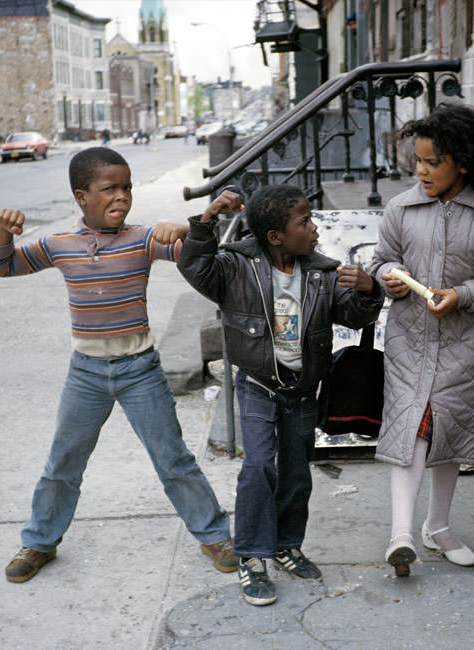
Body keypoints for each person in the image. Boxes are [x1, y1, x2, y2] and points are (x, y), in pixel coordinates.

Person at [0, 147, 236, 583]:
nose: (121, 196)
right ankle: (40, 541)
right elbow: (4, 267)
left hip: (139, 369)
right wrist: (3, 234)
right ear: (82, 197)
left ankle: (214, 534)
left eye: (126, 188)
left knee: (173, 458)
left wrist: (201, 220)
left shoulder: (142, 239)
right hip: (85, 374)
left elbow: (197, 255)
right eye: (109, 189)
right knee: (63, 462)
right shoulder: (58, 245)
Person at [178, 184, 384, 606]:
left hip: (303, 391)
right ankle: (252, 558)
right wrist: (207, 219)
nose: (314, 228)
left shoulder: (323, 272)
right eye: (304, 221)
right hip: (257, 385)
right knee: (257, 468)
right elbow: (195, 266)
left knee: (295, 473)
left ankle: (288, 545)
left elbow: (353, 312)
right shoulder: (234, 267)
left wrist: (368, 289)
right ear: (276, 236)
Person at [368, 103, 474, 577]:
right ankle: (401, 535)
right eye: (417, 161)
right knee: (411, 429)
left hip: (469, 344)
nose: (421, 170)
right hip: (411, 341)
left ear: (463, 161)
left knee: (448, 433)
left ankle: (437, 527)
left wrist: (462, 294)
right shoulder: (401, 207)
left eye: (432, 162)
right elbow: (382, 260)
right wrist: (388, 277)